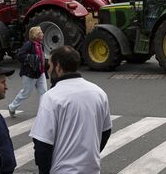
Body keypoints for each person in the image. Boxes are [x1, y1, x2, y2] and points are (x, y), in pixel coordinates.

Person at [30, 45, 112, 173]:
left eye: (50, 66)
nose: (48, 71)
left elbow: (42, 144)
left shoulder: (51, 97)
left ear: (58, 67)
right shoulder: (99, 93)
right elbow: (105, 132)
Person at [8, 26, 47, 117]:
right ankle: (12, 107)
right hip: (30, 73)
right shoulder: (28, 44)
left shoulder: (40, 45)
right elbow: (20, 55)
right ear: (36, 35)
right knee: (26, 93)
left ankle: (43, 113)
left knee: (44, 93)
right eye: (40, 32)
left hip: (40, 72)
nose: (42, 34)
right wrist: (31, 58)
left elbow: (42, 59)